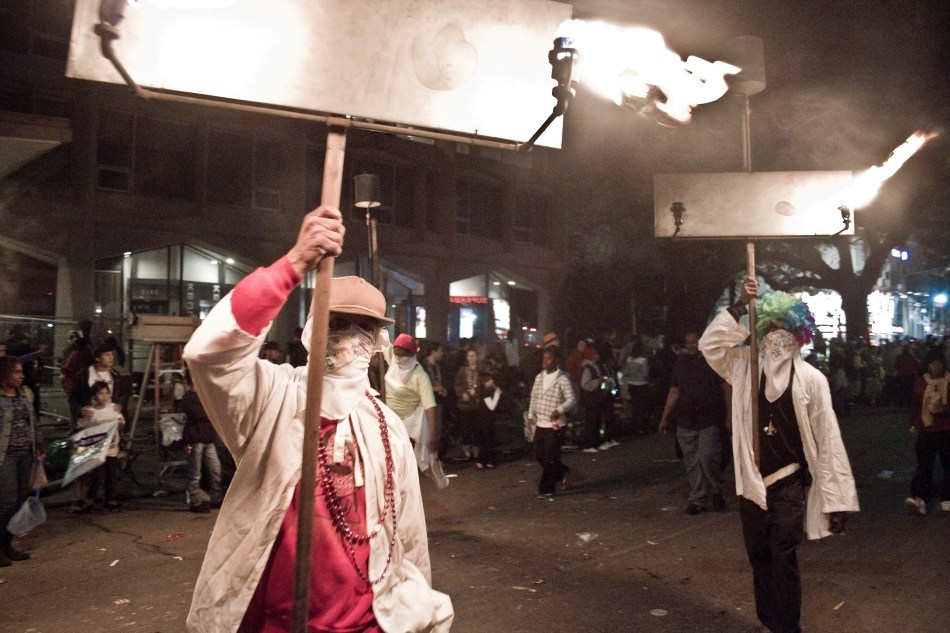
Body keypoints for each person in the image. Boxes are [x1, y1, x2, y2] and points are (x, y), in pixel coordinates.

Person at [182, 206, 452, 632]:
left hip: (370, 621)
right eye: (335, 322)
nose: (346, 336)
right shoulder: (273, 397)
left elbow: (409, 540)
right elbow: (209, 354)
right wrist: (294, 264)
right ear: (312, 331)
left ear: (378, 341)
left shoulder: (387, 429)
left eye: (362, 327)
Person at [699, 278, 858, 633]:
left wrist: (837, 500)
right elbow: (709, 345)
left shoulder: (812, 379)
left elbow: (829, 441)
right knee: (759, 557)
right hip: (751, 481)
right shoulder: (743, 368)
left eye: (786, 330)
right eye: (771, 328)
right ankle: (771, 622)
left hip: (787, 483)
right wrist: (740, 306)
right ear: (760, 330)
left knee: (783, 555)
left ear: (799, 335)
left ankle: (788, 627)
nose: (778, 336)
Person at [658, 332, 729, 514]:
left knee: (708, 458)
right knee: (691, 462)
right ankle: (697, 498)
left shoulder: (712, 361)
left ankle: (717, 490)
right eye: (688, 343)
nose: (691, 346)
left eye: (694, 342)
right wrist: (665, 417)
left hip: (708, 419)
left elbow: (725, 389)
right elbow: (674, 391)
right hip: (685, 420)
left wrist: (729, 416)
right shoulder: (680, 364)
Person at [0, 356, 43, 566]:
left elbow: (33, 423)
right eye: (16, 372)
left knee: (18, 502)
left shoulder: (24, 396)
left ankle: (8, 545)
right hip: (5, 456)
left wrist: (40, 447)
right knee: (6, 502)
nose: (21, 375)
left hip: (25, 454)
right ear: (5, 375)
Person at [527, 347, 576, 498]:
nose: (545, 361)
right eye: (544, 358)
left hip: (555, 425)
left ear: (556, 360)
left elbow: (571, 399)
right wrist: (530, 415)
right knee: (539, 455)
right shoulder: (539, 377)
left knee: (550, 458)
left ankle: (547, 488)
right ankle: (562, 472)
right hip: (540, 423)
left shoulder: (562, 379)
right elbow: (534, 397)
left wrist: (560, 410)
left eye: (548, 359)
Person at [904, 355, 950, 516]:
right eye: (933, 363)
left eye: (939, 363)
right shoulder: (921, 382)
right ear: (928, 365)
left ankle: (946, 497)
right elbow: (915, 404)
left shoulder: (948, 381)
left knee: (948, 466)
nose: (936, 367)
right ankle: (920, 498)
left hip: (946, 429)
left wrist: (945, 409)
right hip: (927, 429)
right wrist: (914, 422)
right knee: (924, 465)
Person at [384, 334, 440, 458]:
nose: (398, 359)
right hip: (387, 418)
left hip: (408, 423)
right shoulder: (393, 358)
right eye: (396, 355)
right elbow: (381, 339)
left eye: (403, 356)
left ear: (412, 355)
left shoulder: (420, 376)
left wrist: (433, 435)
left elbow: (429, 406)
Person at [180, 368, 223, 513]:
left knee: (215, 469)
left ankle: (216, 497)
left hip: (207, 438)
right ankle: (195, 501)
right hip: (196, 438)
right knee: (195, 472)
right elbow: (200, 414)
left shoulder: (205, 396)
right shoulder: (189, 398)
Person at [78, 380, 125, 512]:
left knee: (111, 475)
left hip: (112, 448)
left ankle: (110, 499)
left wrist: (121, 424)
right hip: (98, 449)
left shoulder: (113, 408)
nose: (104, 396)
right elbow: (86, 429)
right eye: (100, 393)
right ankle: (90, 499)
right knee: (96, 476)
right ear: (94, 396)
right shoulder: (91, 412)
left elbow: (121, 422)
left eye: (106, 393)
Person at [69, 344, 128, 425]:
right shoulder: (84, 375)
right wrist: (79, 409)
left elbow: (123, 395)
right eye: (106, 355)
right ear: (97, 358)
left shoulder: (115, 376)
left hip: (109, 417)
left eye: (112, 354)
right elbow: (73, 397)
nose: (111, 357)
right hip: (91, 418)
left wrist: (120, 405)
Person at [454, 347, 481, 462]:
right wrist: (462, 394)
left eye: (473, 355)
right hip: (464, 405)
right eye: (469, 356)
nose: (471, 358)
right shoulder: (462, 370)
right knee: (465, 429)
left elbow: (485, 385)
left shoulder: (480, 370)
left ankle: (476, 453)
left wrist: (477, 392)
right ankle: (467, 452)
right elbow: (456, 385)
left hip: (477, 405)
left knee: (476, 429)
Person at [622, 337, 652, 435]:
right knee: (642, 407)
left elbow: (626, 372)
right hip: (641, 385)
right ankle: (642, 427)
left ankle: (634, 427)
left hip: (631, 385)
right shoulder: (643, 360)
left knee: (635, 407)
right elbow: (645, 374)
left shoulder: (629, 359)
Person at [473, 370, 502, 469]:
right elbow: (492, 406)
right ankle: (481, 461)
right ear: (485, 382)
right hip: (486, 420)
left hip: (487, 419)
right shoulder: (485, 393)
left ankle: (488, 461)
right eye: (490, 380)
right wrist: (497, 395)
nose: (492, 382)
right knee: (487, 440)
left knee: (489, 440)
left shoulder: (486, 392)